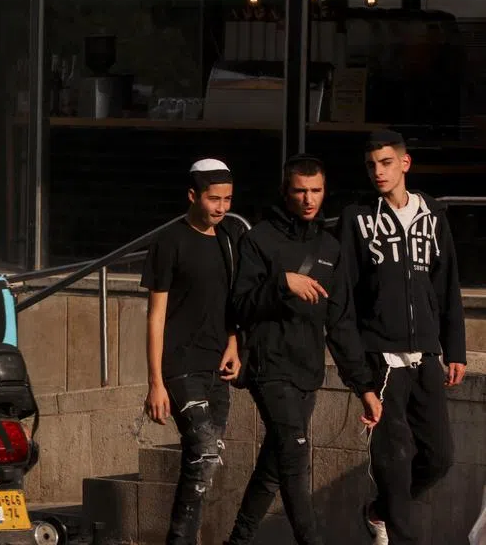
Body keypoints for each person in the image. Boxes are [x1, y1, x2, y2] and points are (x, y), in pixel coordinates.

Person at [225, 154, 382, 545]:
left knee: (275, 466)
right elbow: (239, 305)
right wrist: (284, 283)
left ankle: (237, 541)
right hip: (269, 367)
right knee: (295, 459)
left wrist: (364, 387)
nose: (308, 199)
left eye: (316, 190)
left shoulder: (330, 247)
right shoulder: (258, 239)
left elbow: (341, 323)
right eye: (300, 191)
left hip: (307, 372)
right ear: (285, 192)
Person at [337, 129, 466, 545]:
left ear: (405, 163)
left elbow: (447, 287)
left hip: (426, 359)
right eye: (372, 164)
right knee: (393, 465)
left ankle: (380, 511)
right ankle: (396, 523)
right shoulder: (357, 218)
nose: (378, 171)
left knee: (440, 458)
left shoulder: (433, 215)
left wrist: (454, 348)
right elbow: (346, 300)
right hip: (381, 362)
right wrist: (360, 377)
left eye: (387, 162)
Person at [141, 158, 245, 545]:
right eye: (214, 199)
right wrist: (155, 383)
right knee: (201, 451)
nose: (221, 207)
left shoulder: (229, 237)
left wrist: (234, 344)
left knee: (206, 461)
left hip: (217, 364)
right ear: (192, 195)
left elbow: (232, 299)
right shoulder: (170, 242)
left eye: (228, 199)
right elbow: (155, 316)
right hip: (180, 365)